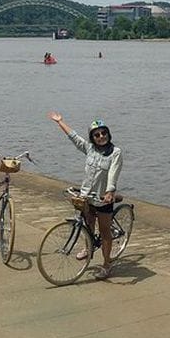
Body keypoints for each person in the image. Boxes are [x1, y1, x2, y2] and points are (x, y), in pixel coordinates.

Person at [48, 112, 123, 280]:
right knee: (88, 225)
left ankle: (106, 264)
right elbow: (74, 137)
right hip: (87, 197)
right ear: (92, 137)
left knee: (105, 233)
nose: (101, 136)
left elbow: (113, 173)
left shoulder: (115, 152)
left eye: (103, 133)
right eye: (96, 134)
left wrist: (110, 191)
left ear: (108, 134)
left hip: (103, 199)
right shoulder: (89, 148)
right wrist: (60, 122)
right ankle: (88, 248)